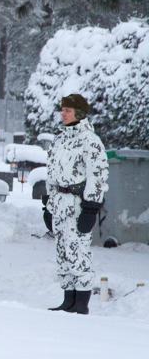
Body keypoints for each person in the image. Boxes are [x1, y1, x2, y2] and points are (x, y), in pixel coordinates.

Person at [45, 94, 109, 315]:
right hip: (60, 201)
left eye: (68, 110)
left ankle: (81, 301)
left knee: (78, 251)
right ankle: (68, 298)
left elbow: (98, 175)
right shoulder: (59, 139)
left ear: (79, 113)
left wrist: (91, 208)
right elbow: (51, 171)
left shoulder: (90, 140)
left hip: (78, 203)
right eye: (62, 109)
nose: (63, 113)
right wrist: (48, 204)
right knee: (63, 251)